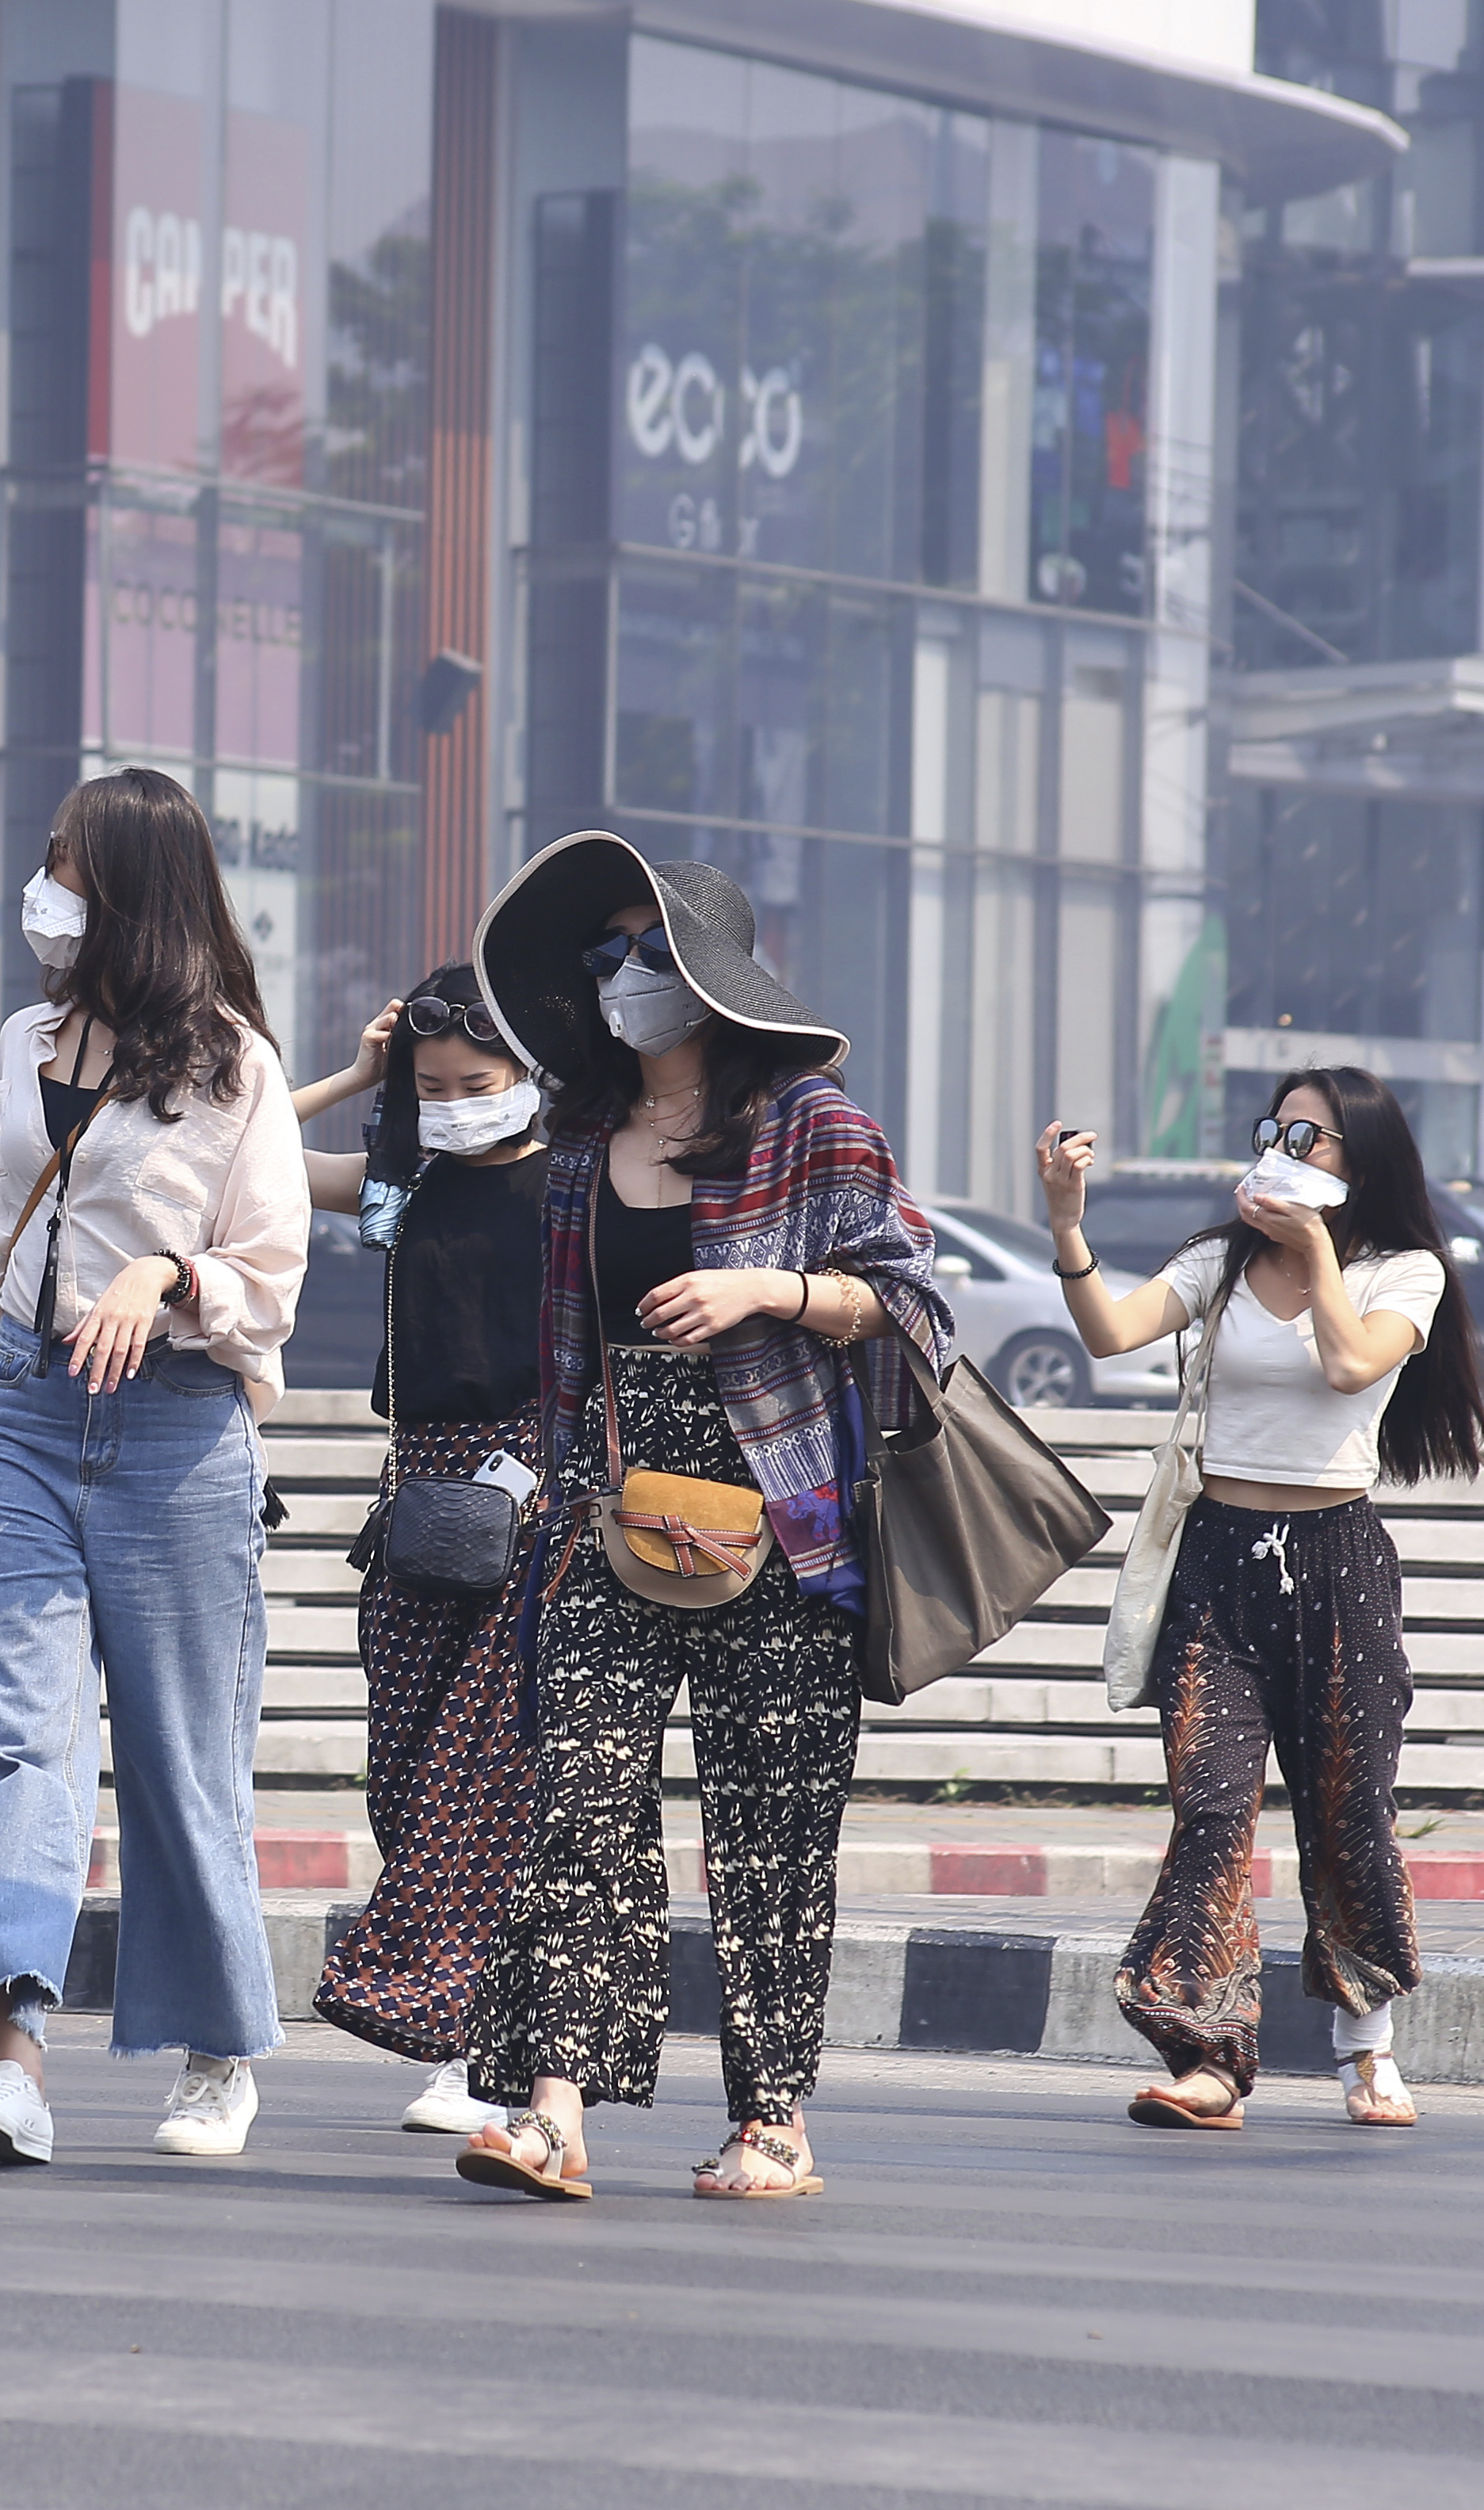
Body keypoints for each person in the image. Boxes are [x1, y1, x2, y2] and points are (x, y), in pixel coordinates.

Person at [452, 833, 948, 2202]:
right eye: (606, 953)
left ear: (714, 974)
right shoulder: (578, 1144)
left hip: (784, 1522)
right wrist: (545, 1503)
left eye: (650, 949)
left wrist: (769, 1290)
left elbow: (915, 1306)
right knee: (579, 1797)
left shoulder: (813, 1122)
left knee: (771, 1826)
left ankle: (771, 2118)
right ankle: (552, 2109)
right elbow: (565, 1357)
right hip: (615, 1515)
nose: (624, 974)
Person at [0, 767, 311, 2167]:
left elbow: (274, 1273)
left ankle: (216, 2053)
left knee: (180, 1755)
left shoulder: (236, 1067)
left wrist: (170, 1274)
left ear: (133, 887)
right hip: (23, 1417)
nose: (46, 887)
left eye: (69, 864)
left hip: (178, 1428)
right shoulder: (25, 1039)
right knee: (17, 1736)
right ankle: (11, 2058)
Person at [1036, 1069, 1484, 2130]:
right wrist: (1066, 1223)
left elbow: (1350, 1365)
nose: (1281, 1150)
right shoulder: (1221, 1260)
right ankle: (1208, 2054)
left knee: (1350, 1814)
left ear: (1359, 1158)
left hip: (1339, 1567)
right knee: (1209, 1810)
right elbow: (1111, 1331)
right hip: (1218, 1564)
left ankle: (1367, 2045)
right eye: (1273, 1131)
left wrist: (1317, 1250)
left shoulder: (1404, 1271)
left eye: (1306, 1136)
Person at [290, 966, 547, 2139]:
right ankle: (467, 2023)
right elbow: (241, 1156)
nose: (451, 1104)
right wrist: (355, 1076)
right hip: (419, 1495)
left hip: (538, 1493)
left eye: (475, 1084)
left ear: (529, 1072)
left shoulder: (574, 1182)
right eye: (430, 1086)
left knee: (479, 1773)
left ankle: (474, 2047)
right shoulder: (405, 1181)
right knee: (402, 1768)